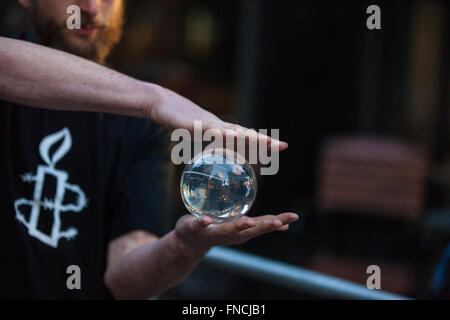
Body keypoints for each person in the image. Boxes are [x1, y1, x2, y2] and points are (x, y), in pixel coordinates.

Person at [0, 0, 298, 299]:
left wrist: (185, 246)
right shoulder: (146, 105)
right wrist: (152, 98)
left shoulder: (138, 126)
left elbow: (124, 280)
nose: (90, 7)